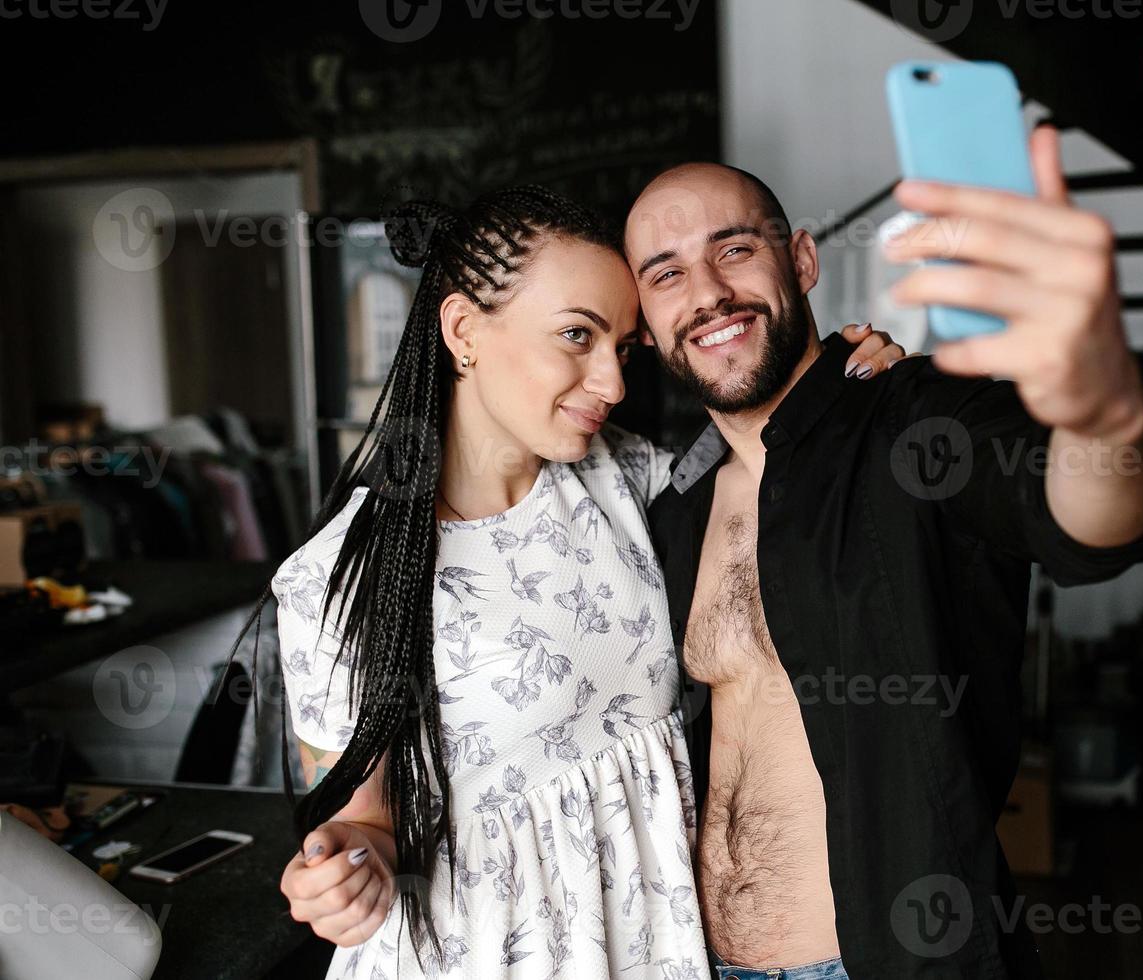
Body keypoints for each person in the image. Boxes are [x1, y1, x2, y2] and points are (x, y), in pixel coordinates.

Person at [234, 186, 907, 979]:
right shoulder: (338, 577)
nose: (613, 382)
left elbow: (766, 458)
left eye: (622, 346)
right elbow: (361, 820)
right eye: (576, 336)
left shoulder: (629, 476)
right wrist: (346, 870)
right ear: (462, 331)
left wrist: (842, 384)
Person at [623, 124, 1143, 979]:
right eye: (666, 273)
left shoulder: (916, 425)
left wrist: (1106, 413)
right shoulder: (674, 507)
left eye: (733, 248)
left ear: (802, 261)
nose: (706, 292)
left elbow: (1082, 514)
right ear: (646, 322)